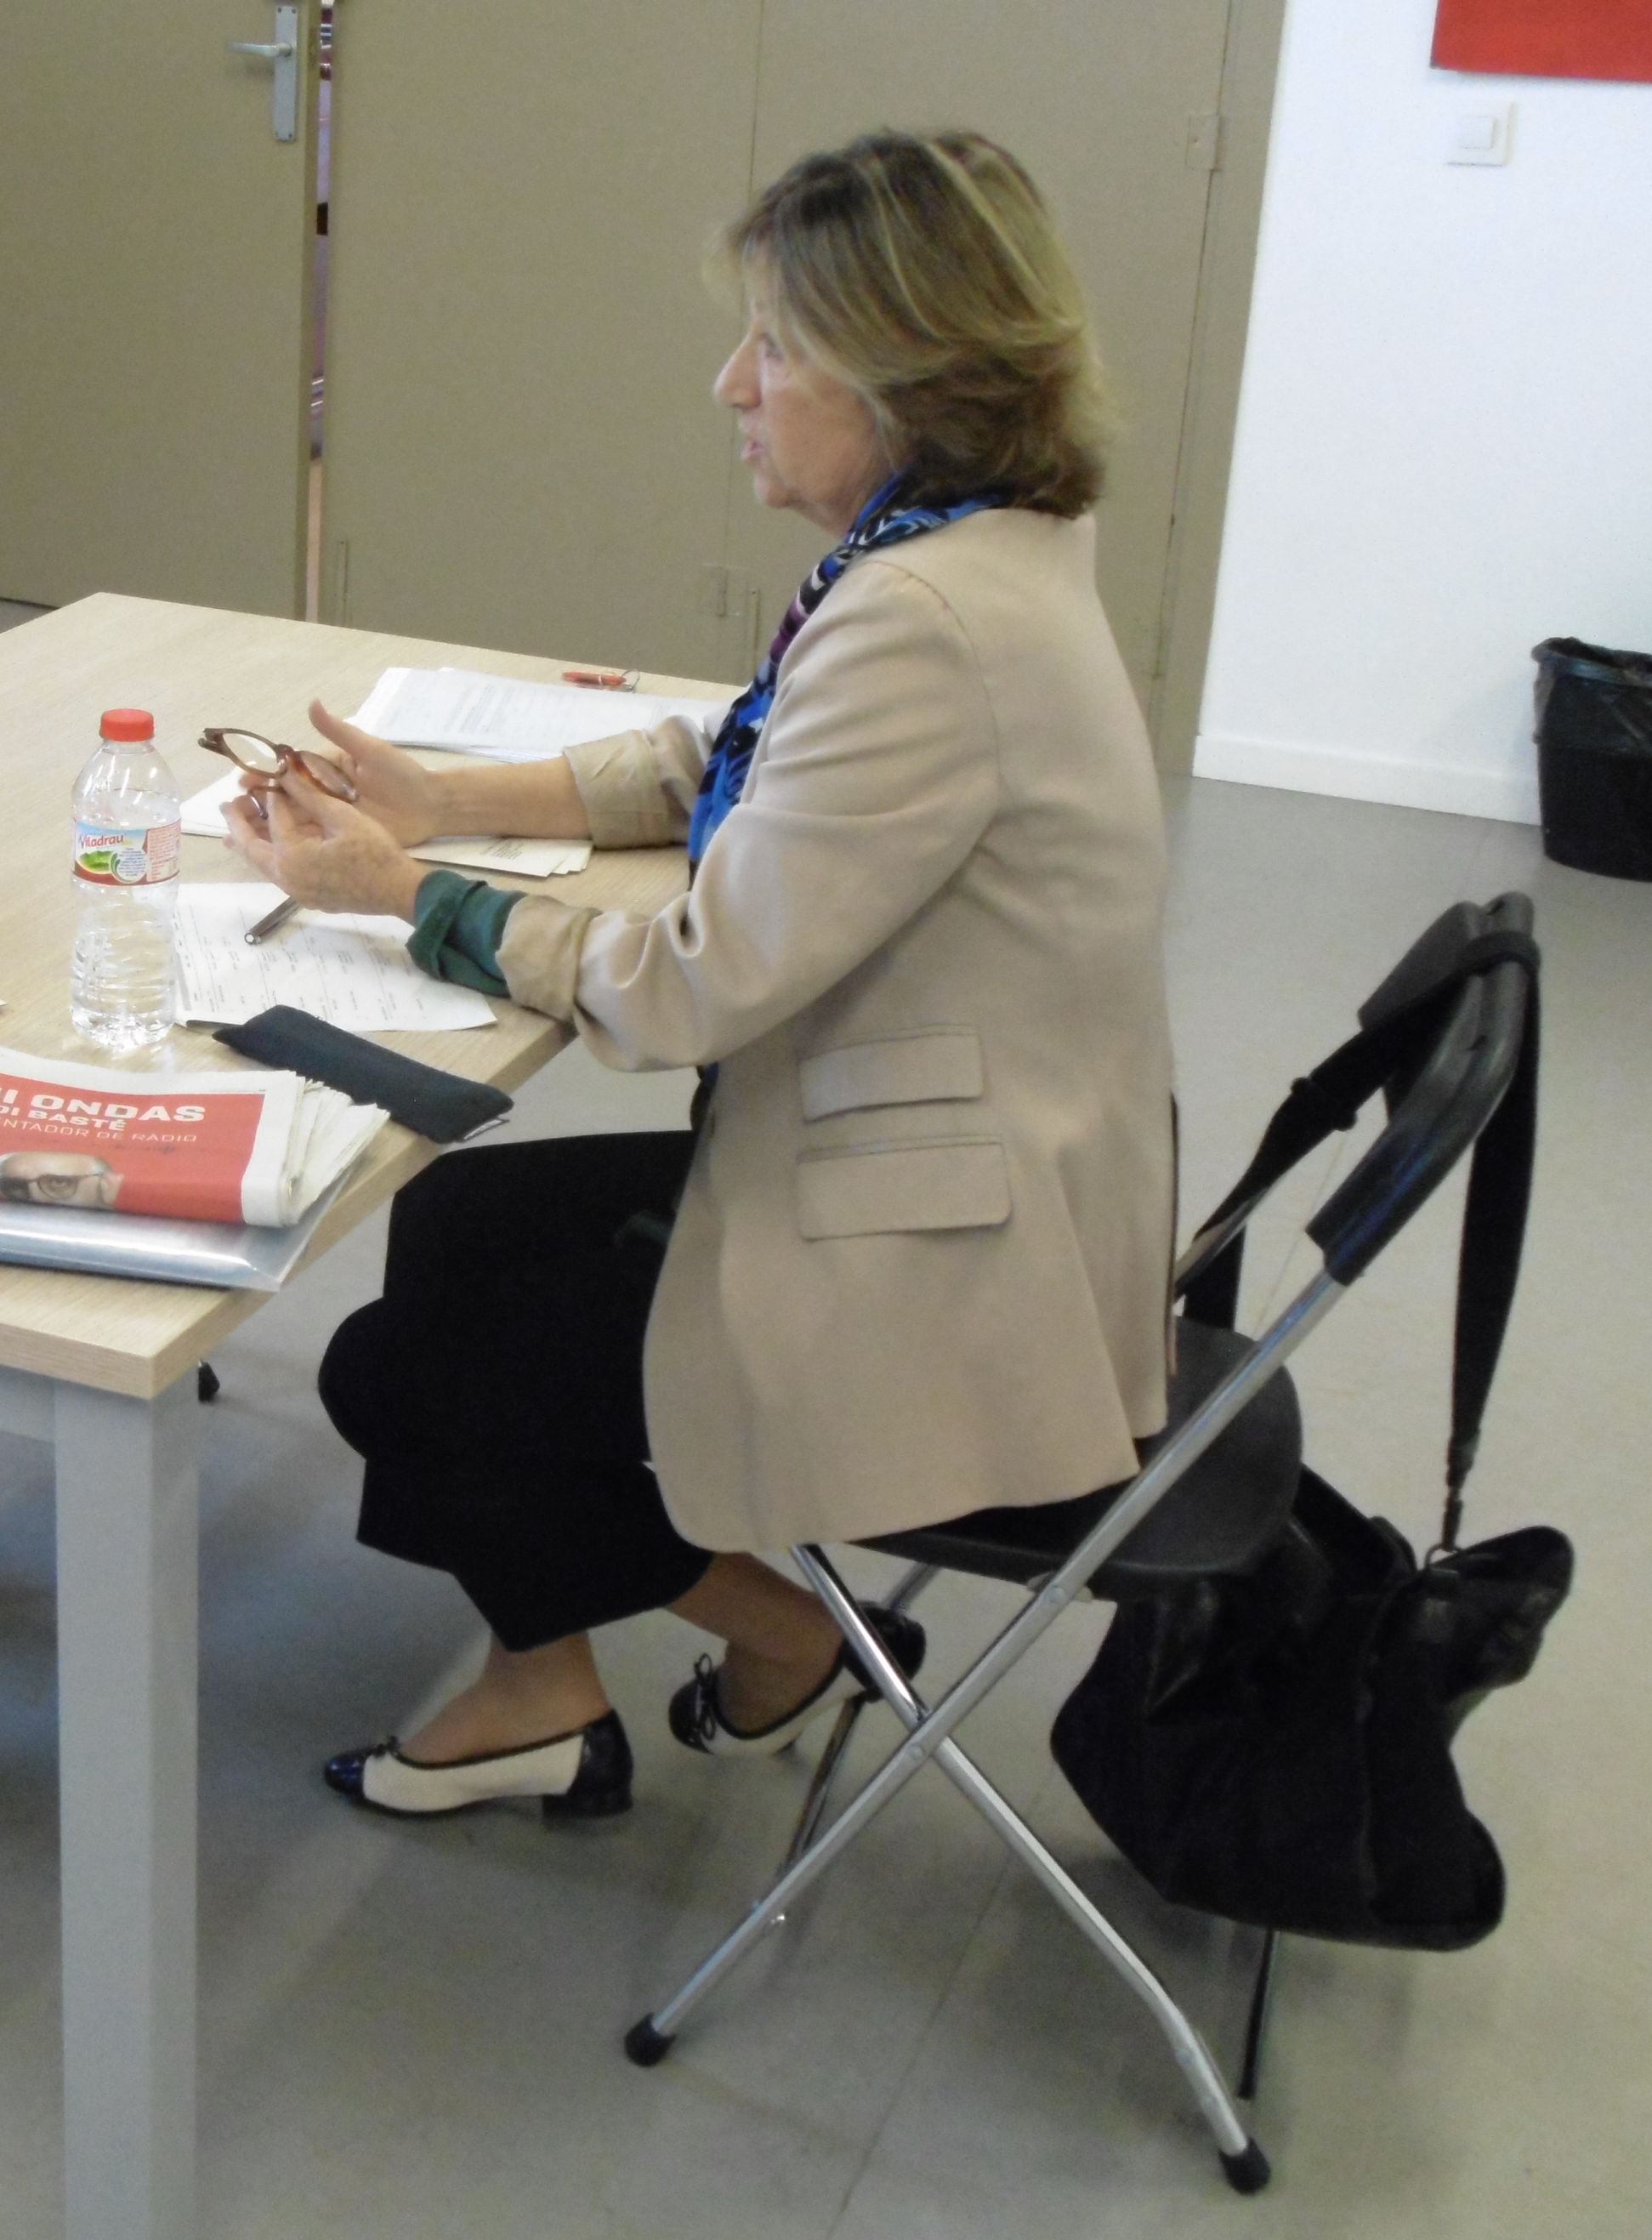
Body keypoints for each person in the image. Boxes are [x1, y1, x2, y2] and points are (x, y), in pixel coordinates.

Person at [224, 130, 1172, 1818]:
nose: (726, 380)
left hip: (929, 1259)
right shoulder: (967, 553)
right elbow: (734, 758)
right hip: (963, 1168)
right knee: (448, 1226)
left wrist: (402, 891)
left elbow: (678, 994)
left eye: (776, 346)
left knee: (394, 1374)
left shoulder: (922, 618)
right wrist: (449, 797)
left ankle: (758, 1624)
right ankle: (549, 1673)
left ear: (908, 377)